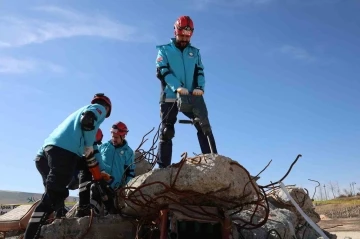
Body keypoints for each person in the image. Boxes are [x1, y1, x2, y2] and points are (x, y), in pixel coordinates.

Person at [24, 93, 112, 239]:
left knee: (81, 171)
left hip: (51, 152)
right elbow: (88, 120)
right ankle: (30, 236)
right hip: (64, 152)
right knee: (52, 196)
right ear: (107, 108)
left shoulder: (76, 124)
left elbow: (93, 156)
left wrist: (101, 171)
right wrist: (89, 145)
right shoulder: (100, 108)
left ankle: (79, 207)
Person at [155, 15, 218, 168]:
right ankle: (162, 169)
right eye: (181, 35)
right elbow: (162, 71)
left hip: (192, 96)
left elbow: (200, 71)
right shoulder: (164, 50)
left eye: (187, 36)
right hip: (170, 96)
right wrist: (176, 86)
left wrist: (199, 88)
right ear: (176, 31)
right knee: (166, 131)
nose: (184, 38)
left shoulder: (194, 52)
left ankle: (214, 161)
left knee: (204, 126)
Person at [82, 121, 135, 216]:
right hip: (101, 181)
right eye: (113, 136)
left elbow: (130, 172)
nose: (114, 139)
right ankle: (91, 215)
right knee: (94, 190)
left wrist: (125, 189)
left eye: (116, 137)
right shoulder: (103, 147)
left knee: (111, 212)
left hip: (115, 188)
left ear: (123, 136)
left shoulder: (129, 152)